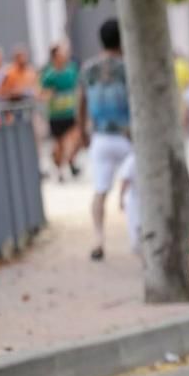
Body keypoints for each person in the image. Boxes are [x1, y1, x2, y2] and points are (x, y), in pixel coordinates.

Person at [77, 18, 132, 261]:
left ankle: (98, 239)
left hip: (99, 136)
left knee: (100, 190)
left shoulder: (88, 69)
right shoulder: (127, 67)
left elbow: (80, 103)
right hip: (127, 136)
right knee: (135, 189)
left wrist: (82, 133)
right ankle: (138, 237)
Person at [40, 42, 82, 181]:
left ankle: (70, 161)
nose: (64, 55)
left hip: (70, 113)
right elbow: (43, 94)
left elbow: (77, 88)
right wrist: (49, 95)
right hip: (56, 115)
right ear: (54, 56)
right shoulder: (49, 75)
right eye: (61, 53)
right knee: (59, 144)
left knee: (76, 139)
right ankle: (59, 169)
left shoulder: (71, 70)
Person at [115, 153, 141, 255]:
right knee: (136, 233)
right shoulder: (132, 160)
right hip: (134, 201)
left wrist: (120, 199)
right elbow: (125, 181)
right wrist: (121, 198)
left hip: (139, 201)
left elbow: (124, 180)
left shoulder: (131, 159)